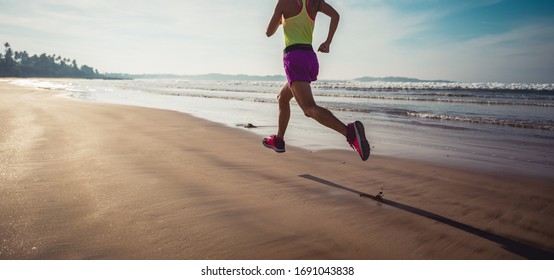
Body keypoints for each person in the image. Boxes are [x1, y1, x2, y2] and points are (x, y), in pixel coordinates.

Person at [263, 0, 370, 161]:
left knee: (309, 108)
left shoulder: (284, 2)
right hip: (310, 58)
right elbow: (335, 15)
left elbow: (269, 32)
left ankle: (349, 132)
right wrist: (328, 42)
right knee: (282, 98)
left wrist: (280, 18)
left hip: (294, 58)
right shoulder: (315, 2)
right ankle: (278, 140)